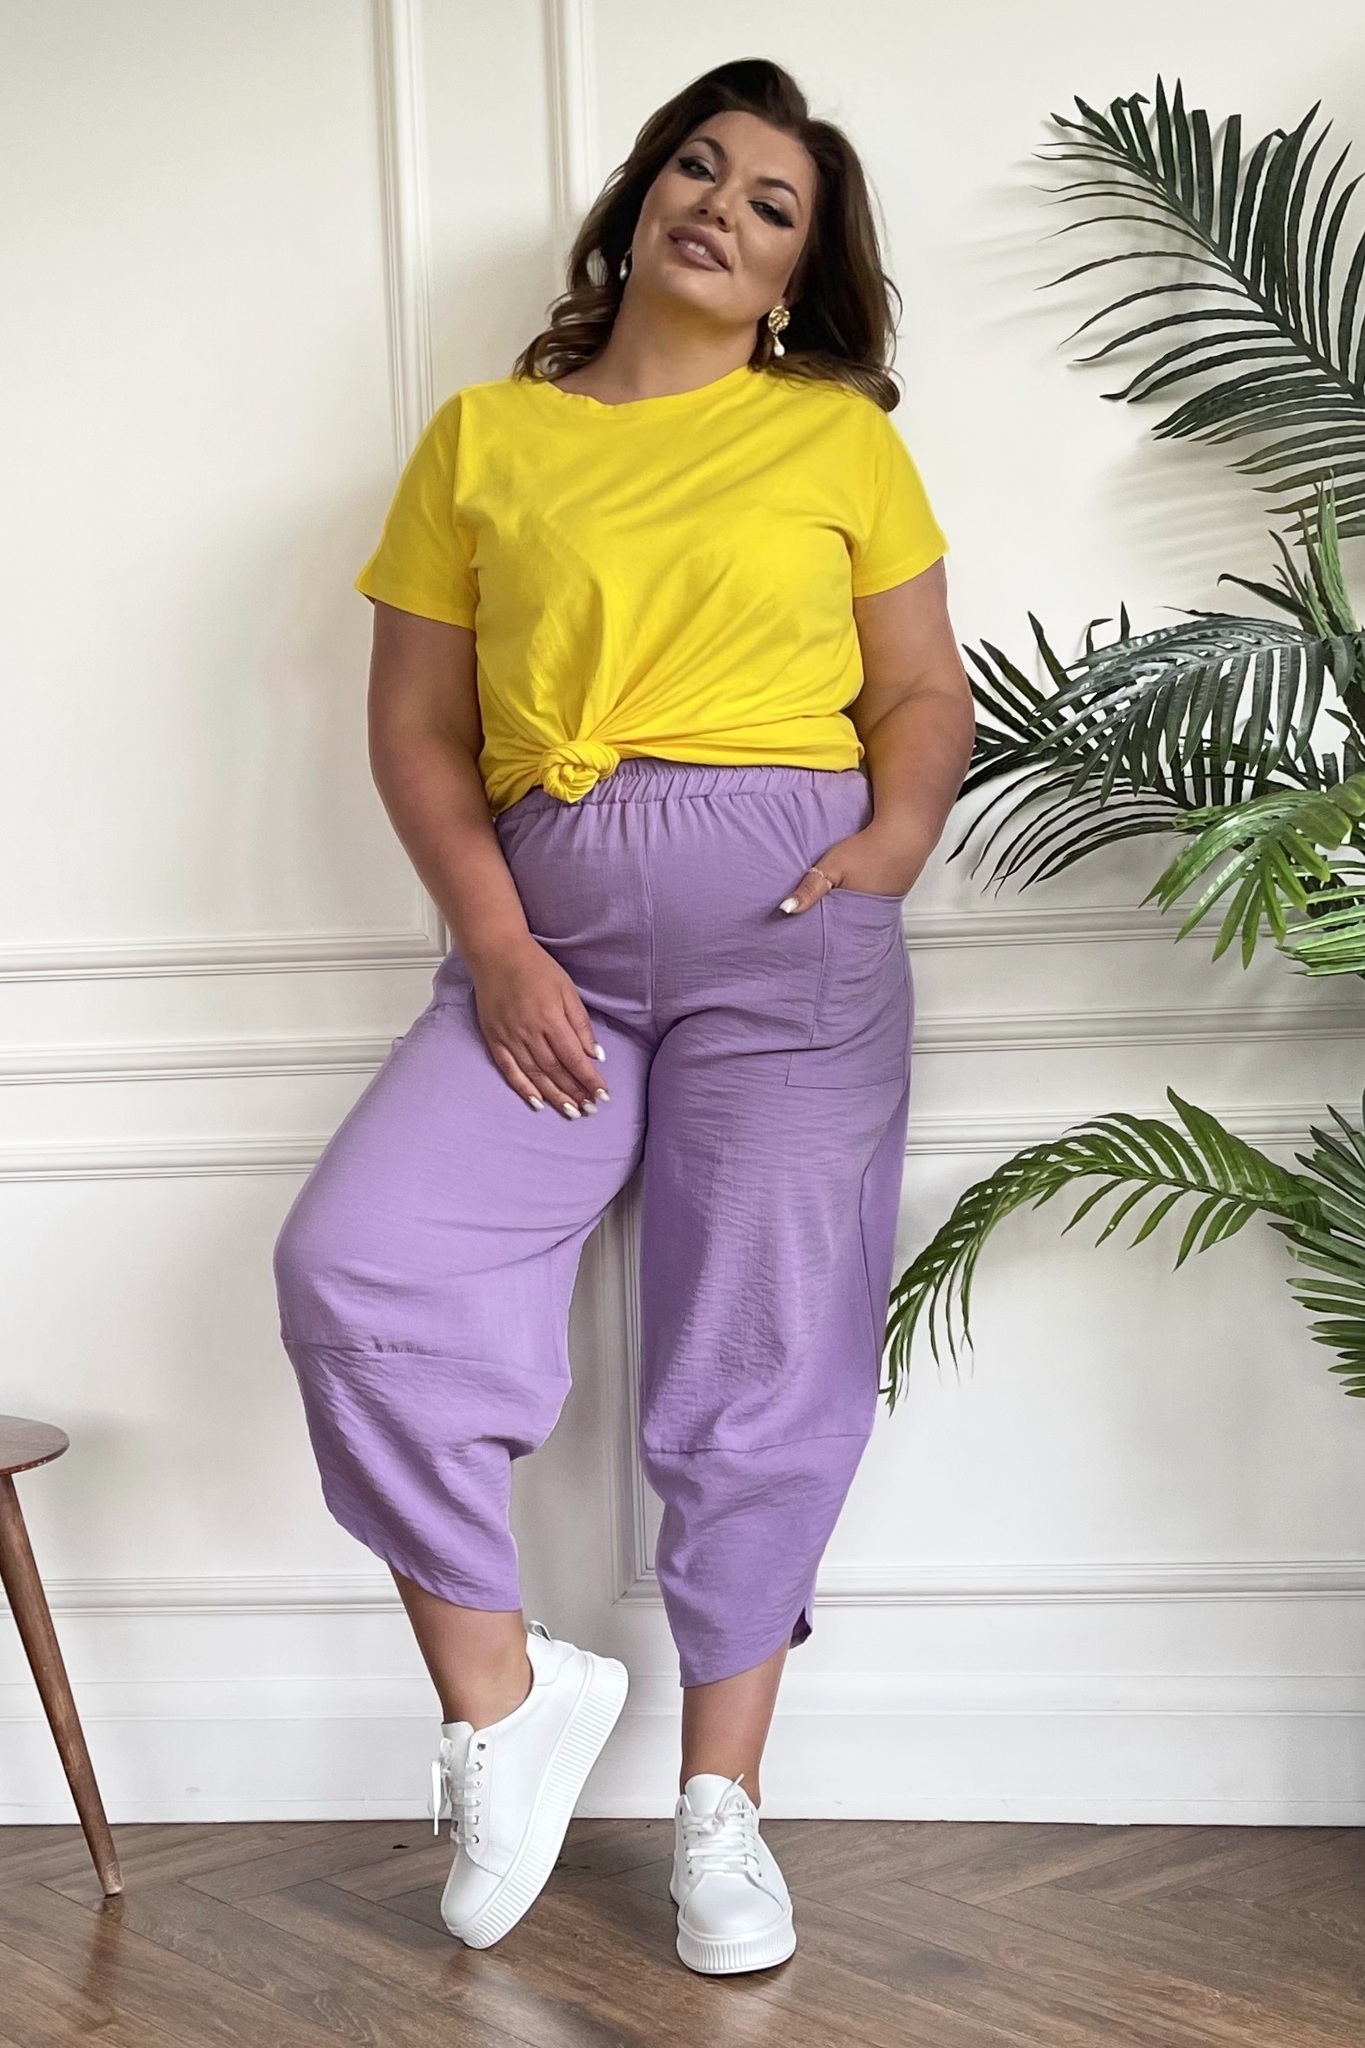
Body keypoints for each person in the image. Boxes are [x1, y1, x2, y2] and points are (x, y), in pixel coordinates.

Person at [272, 55, 974, 1976]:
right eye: (699, 169)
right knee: (361, 1267)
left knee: (762, 1360)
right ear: (642, 196)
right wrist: (497, 944)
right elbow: (416, 727)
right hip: (549, 950)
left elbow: (920, 693)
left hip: (791, 936)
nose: (721, 210)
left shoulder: (834, 442)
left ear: (796, 277)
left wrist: (891, 842)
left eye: (772, 206)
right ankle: (503, 1708)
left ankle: (719, 1812)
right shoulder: (484, 437)